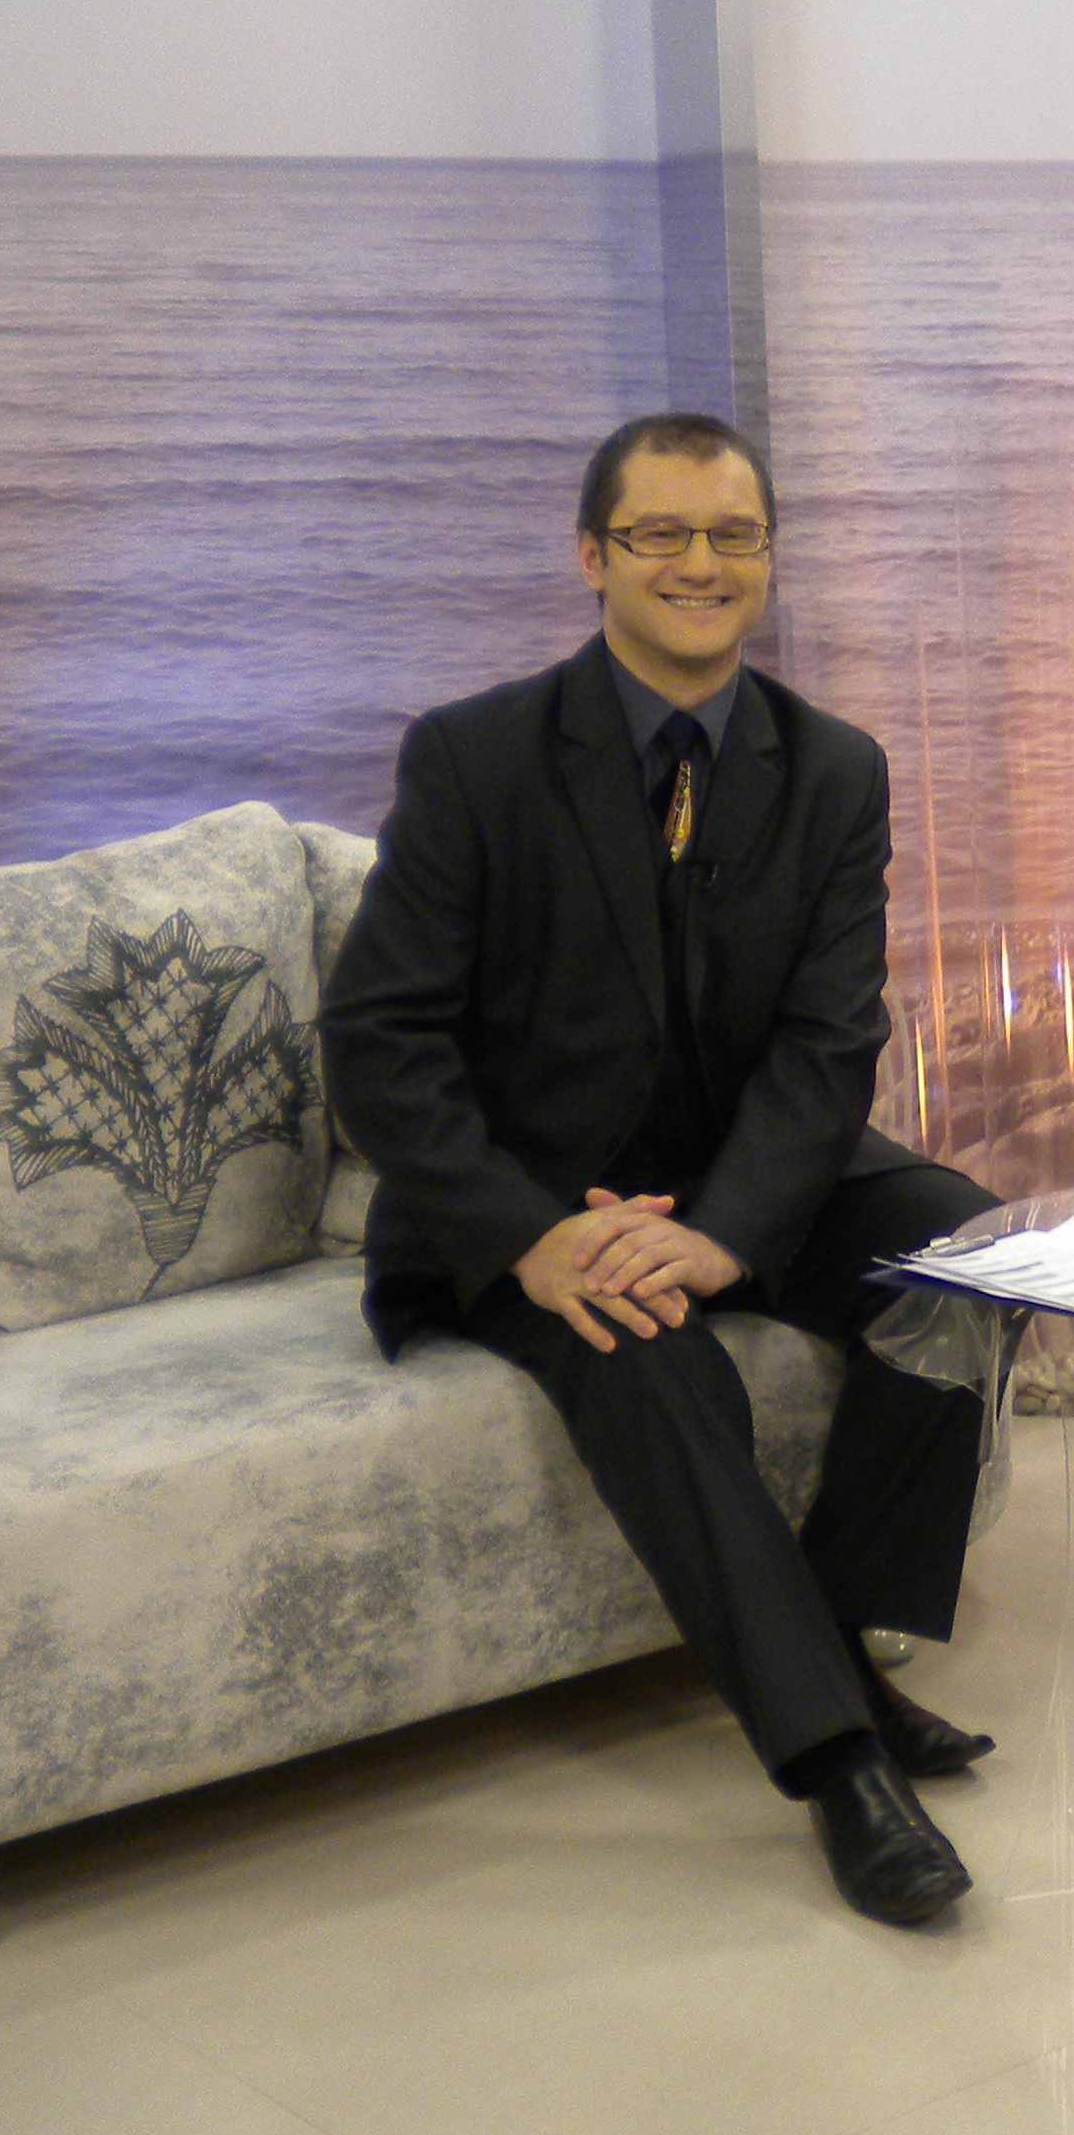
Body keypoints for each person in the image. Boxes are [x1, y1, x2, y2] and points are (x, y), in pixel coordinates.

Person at [322, 411, 999, 1927]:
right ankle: (841, 1768)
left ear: (769, 558)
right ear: (593, 556)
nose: (702, 564)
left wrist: (728, 1231)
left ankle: (845, 1639)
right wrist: (532, 1235)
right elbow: (378, 1040)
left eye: (733, 535)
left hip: (736, 1178)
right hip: (529, 1205)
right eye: (662, 535)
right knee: (649, 1351)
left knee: (962, 1251)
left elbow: (830, 1042)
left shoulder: (832, 768)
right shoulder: (477, 756)